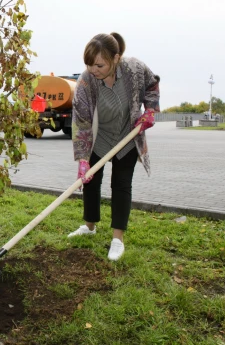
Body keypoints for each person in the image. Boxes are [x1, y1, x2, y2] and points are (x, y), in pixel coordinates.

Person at [67, 32, 160, 261]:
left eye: (99, 64)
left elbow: (152, 84)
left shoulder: (134, 69)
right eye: (89, 64)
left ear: (116, 58)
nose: (93, 69)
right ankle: (89, 226)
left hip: (127, 136)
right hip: (99, 137)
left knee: (121, 184)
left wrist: (149, 110)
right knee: (91, 181)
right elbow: (82, 121)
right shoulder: (86, 82)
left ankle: (117, 239)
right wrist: (83, 159)